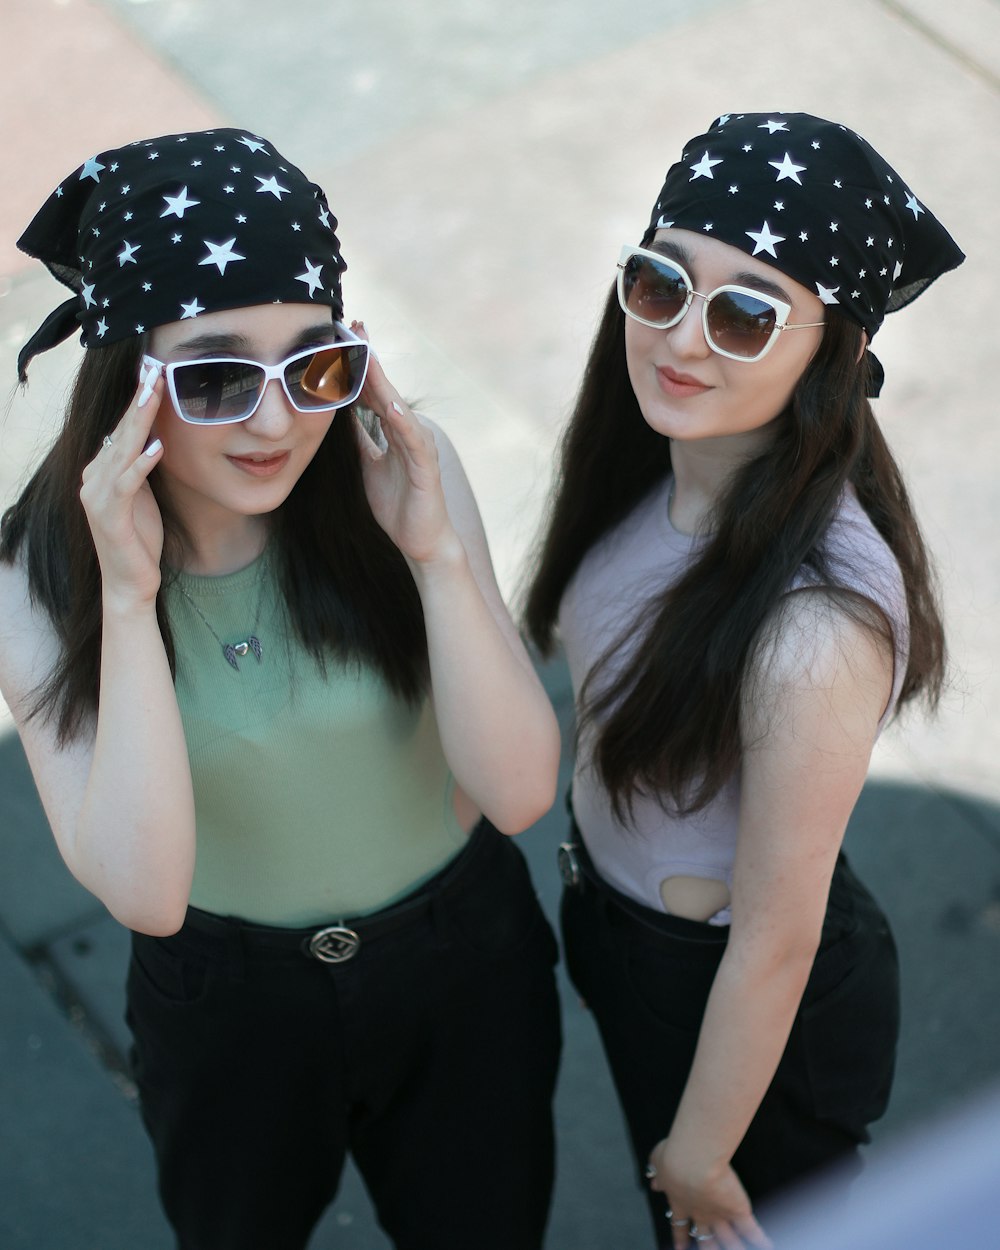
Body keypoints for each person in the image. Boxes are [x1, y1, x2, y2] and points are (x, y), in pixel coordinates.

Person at [0, 128, 562, 1250]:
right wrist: (126, 596)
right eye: (214, 376)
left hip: (460, 960)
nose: (275, 421)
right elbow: (147, 892)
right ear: (128, 374)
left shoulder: (399, 468)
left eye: (315, 364)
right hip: (227, 1000)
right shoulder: (32, 578)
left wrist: (439, 555)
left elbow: (521, 789)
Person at [524, 110, 964, 1249]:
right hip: (634, 947)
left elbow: (777, 933)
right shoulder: (646, 465)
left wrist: (702, 1149)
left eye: (744, 312)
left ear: (831, 350)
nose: (679, 337)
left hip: (730, 1000)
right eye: (659, 281)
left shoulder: (816, 623)